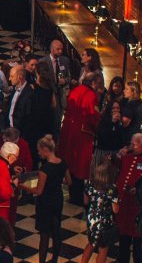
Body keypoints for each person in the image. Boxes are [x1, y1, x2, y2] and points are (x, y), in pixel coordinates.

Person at [60, 71, 101, 205]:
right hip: (82, 136)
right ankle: (77, 196)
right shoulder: (91, 96)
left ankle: (72, 193)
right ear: (94, 83)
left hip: (69, 132)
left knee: (71, 162)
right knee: (80, 166)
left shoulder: (75, 90)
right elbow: (93, 117)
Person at [115, 133, 142, 263]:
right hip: (124, 206)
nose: (131, 146)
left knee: (138, 242)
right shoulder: (127, 157)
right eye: (131, 143)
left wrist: (138, 190)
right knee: (123, 237)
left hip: (137, 208)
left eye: (134, 144)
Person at [27, 135, 68, 263]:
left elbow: (39, 191)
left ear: (45, 149)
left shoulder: (45, 169)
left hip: (45, 202)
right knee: (56, 231)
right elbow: (69, 181)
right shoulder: (63, 163)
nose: (38, 153)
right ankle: (54, 259)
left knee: (44, 234)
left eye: (39, 150)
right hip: (58, 199)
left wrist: (23, 187)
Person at [79, 160, 119, 263]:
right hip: (105, 221)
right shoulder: (111, 188)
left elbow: (85, 201)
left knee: (91, 243)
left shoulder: (89, 183)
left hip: (92, 219)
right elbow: (116, 210)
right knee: (103, 249)